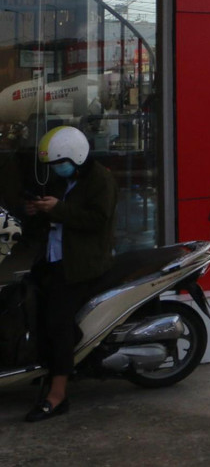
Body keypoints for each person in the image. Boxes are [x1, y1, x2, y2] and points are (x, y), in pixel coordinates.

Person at [22, 125, 116, 422]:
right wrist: (39, 211)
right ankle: (52, 368)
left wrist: (58, 210)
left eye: (60, 163)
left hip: (81, 267)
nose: (56, 169)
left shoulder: (101, 179)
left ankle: (58, 394)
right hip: (53, 260)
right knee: (32, 310)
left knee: (57, 323)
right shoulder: (65, 181)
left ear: (75, 156)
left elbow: (97, 220)